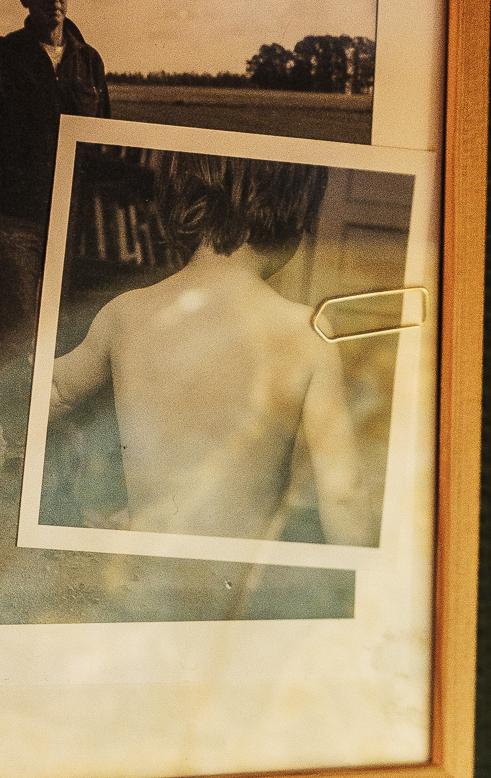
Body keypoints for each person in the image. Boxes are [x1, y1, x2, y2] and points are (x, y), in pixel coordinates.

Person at [46, 155, 370, 547]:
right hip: (236, 566)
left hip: (149, 556)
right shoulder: (306, 331)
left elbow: (54, 392)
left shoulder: (124, 312)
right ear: (296, 217)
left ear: (178, 202)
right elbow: (343, 492)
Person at [0, 0, 110, 464]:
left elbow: (105, 143)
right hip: (18, 221)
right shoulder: (4, 54)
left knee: (71, 334)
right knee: (19, 336)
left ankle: (61, 434)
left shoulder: (89, 61)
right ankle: (20, 443)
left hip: (72, 223)